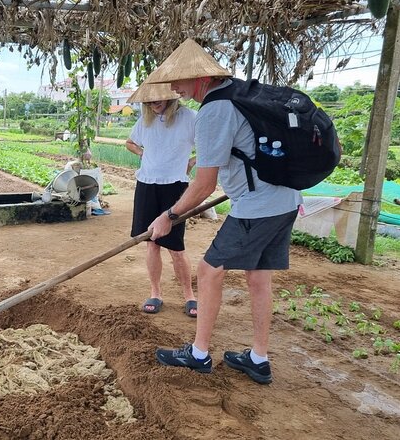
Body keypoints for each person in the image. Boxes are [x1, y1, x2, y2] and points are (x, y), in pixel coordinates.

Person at [146, 38, 302, 384]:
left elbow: (203, 186)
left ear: (201, 78)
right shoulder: (240, 96)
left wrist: (169, 216)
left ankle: (199, 354)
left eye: (179, 79)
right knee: (258, 276)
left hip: (258, 207)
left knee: (209, 269)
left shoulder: (214, 111)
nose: (173, 87)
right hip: (287, 200)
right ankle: (258, 359)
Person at [125, 83, 198, 316]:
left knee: (176, 247)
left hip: (175, 186)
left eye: (157, 98)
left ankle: (189, 295)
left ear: (170, 97)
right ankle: (155, 293)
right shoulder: (145, 121)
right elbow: (130, 143)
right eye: (148, 100)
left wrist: (192, 162)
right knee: (151, 242)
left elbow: (209, 146)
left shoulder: (189, 118)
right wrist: (142, 153)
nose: (153, 103)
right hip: (147, 185)